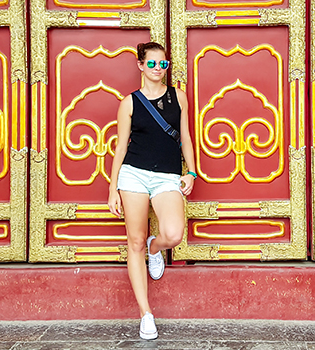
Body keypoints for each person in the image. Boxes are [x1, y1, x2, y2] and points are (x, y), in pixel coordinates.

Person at [107, 42, 197, 340]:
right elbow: (120, 148)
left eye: (164, 64)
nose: (158, 69)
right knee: (134, 241)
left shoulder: (178, 97)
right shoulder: (129, 103)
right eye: (153, 63)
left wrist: (191, 171)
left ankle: (155, 248)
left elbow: (185, 137)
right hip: (133, 175)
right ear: (141, 65)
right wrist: (112, 188)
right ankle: (146, 314)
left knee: (173, 234)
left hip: (166, 177)